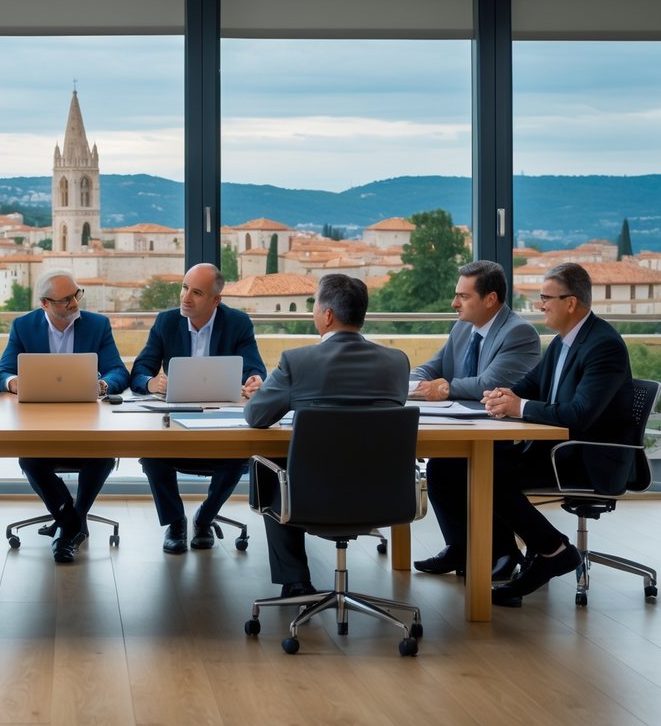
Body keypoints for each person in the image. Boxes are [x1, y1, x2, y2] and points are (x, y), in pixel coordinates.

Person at [244, 273, 409, 597]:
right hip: (384, 497)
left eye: (315, 305)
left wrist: (269, 392)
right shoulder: (397, 362)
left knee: (272, 463)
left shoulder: (298, 361)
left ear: (328, 315)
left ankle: (296, 580)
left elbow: (256, 416)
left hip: (310, 498)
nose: (313, 312)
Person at [481, 262, 636, 607]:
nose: (540, 306)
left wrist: (519, 408)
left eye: (546, 298)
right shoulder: (563, 341)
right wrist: (502, 395)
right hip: (556, 451)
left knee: (489, 476)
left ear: (571, 303)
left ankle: (553, 550)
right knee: (468, 466)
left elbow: (581, 415)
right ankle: (513, 554)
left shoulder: (603, 346)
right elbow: (533, 384)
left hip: (588, 458)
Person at [409, 260, 541, 580]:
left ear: (490, 299)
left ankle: (504, 554)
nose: (455, 303)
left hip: (507, 434)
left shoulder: (519, 333)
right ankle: (460, 547)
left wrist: (445, 388)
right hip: (468, 423)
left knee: (470, 467)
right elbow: (434, 367)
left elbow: (489, 384)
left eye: (463, 296)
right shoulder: (462, 327)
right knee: (442, 466)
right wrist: (412, 384)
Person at [0, 269, 130, 564]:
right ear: (45, 303)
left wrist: (104, 384)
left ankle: (68, 523)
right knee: (29, 458)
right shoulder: (23, 326)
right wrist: (14, 382)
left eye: (76, 294)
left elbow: (119, 371)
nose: (74, 303)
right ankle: (73, 523)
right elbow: (3, 372)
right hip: (39, 422)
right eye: (65, 299)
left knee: (103, 457)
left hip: (88, 420)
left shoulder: (97, 325)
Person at [130, 263, 266, 553]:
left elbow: (253, 366)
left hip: (222, 419)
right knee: (152, 454)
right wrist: (151, 383)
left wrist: (255, 380)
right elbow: (140, 369)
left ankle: (204, 518)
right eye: (184, 287)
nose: (185, 297)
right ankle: (175, 521)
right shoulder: (167, 322)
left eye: (196, 292)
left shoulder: (238, 323)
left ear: (216, 300)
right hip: (175, 419)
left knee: (238, 456)